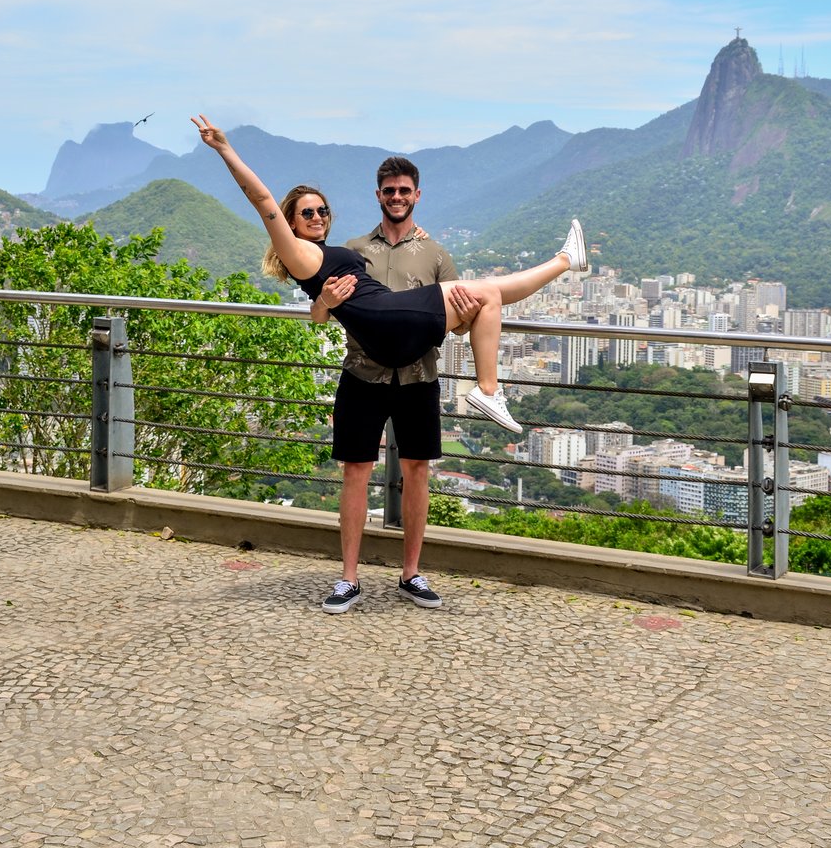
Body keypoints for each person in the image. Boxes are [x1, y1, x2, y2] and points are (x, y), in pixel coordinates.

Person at [191, 117, 589, 584]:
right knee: (493, 293)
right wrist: (225, 149)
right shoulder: (305, 252)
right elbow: (262, 201)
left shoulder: (371, 250)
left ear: (415, 195)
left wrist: (334, 302)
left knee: (486, 298)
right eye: (305, 213)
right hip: (382, 342)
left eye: (321, 211)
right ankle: (556, 276)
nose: (316, 217)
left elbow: (348, 312)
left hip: (408, 345)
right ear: (291, 221)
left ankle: (561, 269)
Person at [306, 154, 481, 613]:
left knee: (418, 471)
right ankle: (348, 578)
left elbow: (460, 324)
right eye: (390, 191)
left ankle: (411, 574)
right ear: (378, 195)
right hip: (362, 374)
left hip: (419, 376)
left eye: (405, 190)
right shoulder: (352, 249)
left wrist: (463, 317)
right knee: (354, 473)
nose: (397, 197)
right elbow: (320, 317)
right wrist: (323, 300)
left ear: (416, 195)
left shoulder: (437, 254)